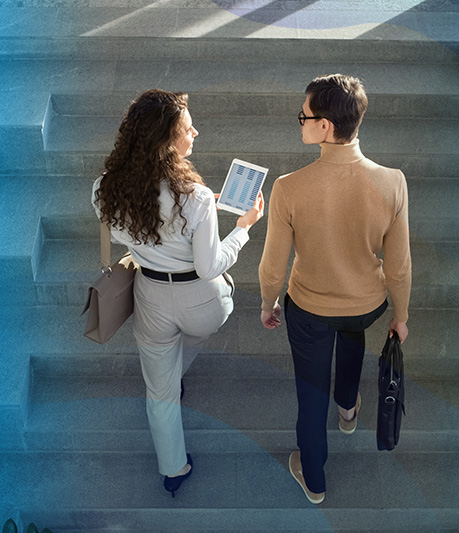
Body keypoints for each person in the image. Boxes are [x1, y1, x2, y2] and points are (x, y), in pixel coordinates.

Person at [92, 89, 264, 498]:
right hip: (202, 302)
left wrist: (204, 213)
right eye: (188, 129)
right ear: (167, 141)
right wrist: (244, 227)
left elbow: (123, 233)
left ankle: (174, 469)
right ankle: (177, 371)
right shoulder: (195, 197)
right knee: (196, 331)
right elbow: (209, 265)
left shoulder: (104, 187)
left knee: (159, 391)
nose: (195, 133)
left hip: (150, 294)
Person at [258, 74, 411, 504]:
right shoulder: (392, 182)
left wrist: (268, 304)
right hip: (367, 304)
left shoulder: (288, 188)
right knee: (351, 338)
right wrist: (400, 316)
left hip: (308, 308)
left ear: (325, 126)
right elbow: (398, 267)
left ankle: (315, 479)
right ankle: (348, 409)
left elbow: (273, 267)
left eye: (303, 116)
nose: (300, 122)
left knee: (310, 395)